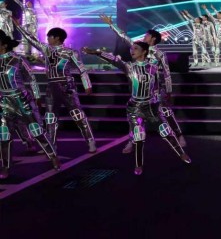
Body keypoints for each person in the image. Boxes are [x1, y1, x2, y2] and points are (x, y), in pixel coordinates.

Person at [83, 42, 191, 175]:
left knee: (165, 131)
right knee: (138, 135)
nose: (132, 51)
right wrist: (95, 52)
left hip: (151, 106)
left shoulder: (153, 66)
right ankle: (138, 164)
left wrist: (165, 94)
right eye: (131, 48)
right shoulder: (129, 66)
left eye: (135, 48)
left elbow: (162, 75)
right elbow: (113, 59)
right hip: (134, 107)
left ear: (144, 51)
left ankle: (181, 153)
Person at [99, 15, 186, 152]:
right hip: (139, 88)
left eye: (146, 36)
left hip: (156, 90)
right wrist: (111, 24)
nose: (144, 37)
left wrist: (169, 91)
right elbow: (124, 37)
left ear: (153, 39)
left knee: (166, 111)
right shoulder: (138, 48)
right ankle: (131, 141)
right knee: (134, 117)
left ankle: (179, 135)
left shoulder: (159, 54)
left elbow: (167, 74)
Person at [13, 19, 96, 153]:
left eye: (49, 37)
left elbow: (81, 69)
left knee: (77, 115)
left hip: (67, 85)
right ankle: (51, 145)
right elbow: (30, 39)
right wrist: (18, 26)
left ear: (57, 38)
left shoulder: (71, 52)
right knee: (50, 117)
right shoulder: (47, 49)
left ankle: (90, 141)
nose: (47, 39)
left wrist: (87, 85)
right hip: (51, 86)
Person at [0, 32, 60, 179]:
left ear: (4, 45)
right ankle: (6, 166)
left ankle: (53, 156)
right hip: (4, 101)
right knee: (4, 134)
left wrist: (37, 96)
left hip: (21, 99)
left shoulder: (18, 59)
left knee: (36, 130)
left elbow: (31, 78)